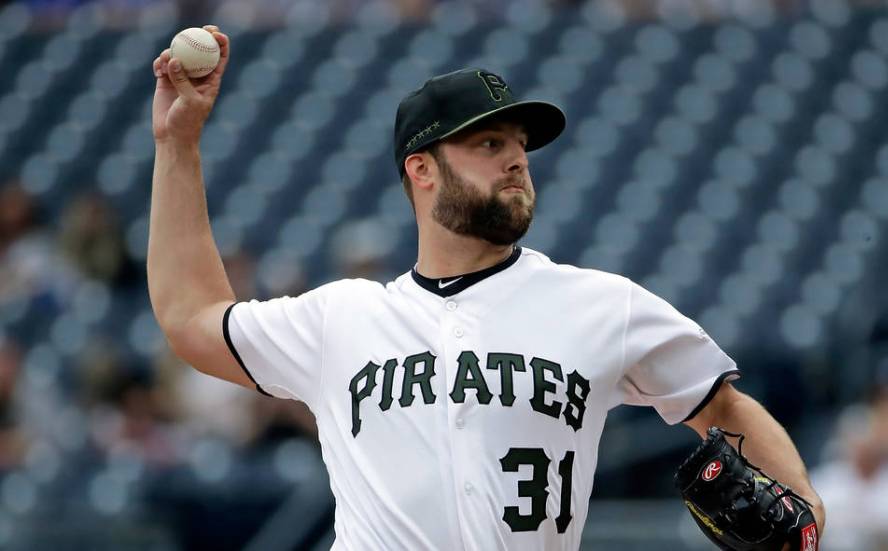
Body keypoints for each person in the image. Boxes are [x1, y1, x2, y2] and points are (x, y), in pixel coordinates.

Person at [148, 25, 824, 550]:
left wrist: (810, 518)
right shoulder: (342, 318)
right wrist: (179, 146)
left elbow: (723, 407)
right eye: (488, 143)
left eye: (519, 143)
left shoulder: (601, 306)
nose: (517, 159)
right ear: (422, 168)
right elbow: (192, 315)